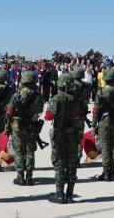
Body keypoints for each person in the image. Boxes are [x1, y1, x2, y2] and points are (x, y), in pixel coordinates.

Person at [44, 73, 81, 204]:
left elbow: (48, 116)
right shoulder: (75, 100)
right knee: (71, 163)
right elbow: (78, 115)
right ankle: (69, 194)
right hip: (72, 134)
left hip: (59, 134)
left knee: (59, 162)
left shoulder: (56, 99)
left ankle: (60, 194)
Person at [7, 71, 44, 186]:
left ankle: (20, 177)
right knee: (30, 151)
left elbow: (9, 113)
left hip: (18, 127)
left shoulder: (16, 96)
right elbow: (40, 111)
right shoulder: (38, 97)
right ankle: (29, 177)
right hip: (32, 127)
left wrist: (7, 127)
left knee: (19, 151)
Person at [92, 68, 114, 181]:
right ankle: (112, 172)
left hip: (103, 121)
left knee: (105, 147)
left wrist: (93, 125)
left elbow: (96, 110)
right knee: (113, 146)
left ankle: (106, 173)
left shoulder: (100, 92)